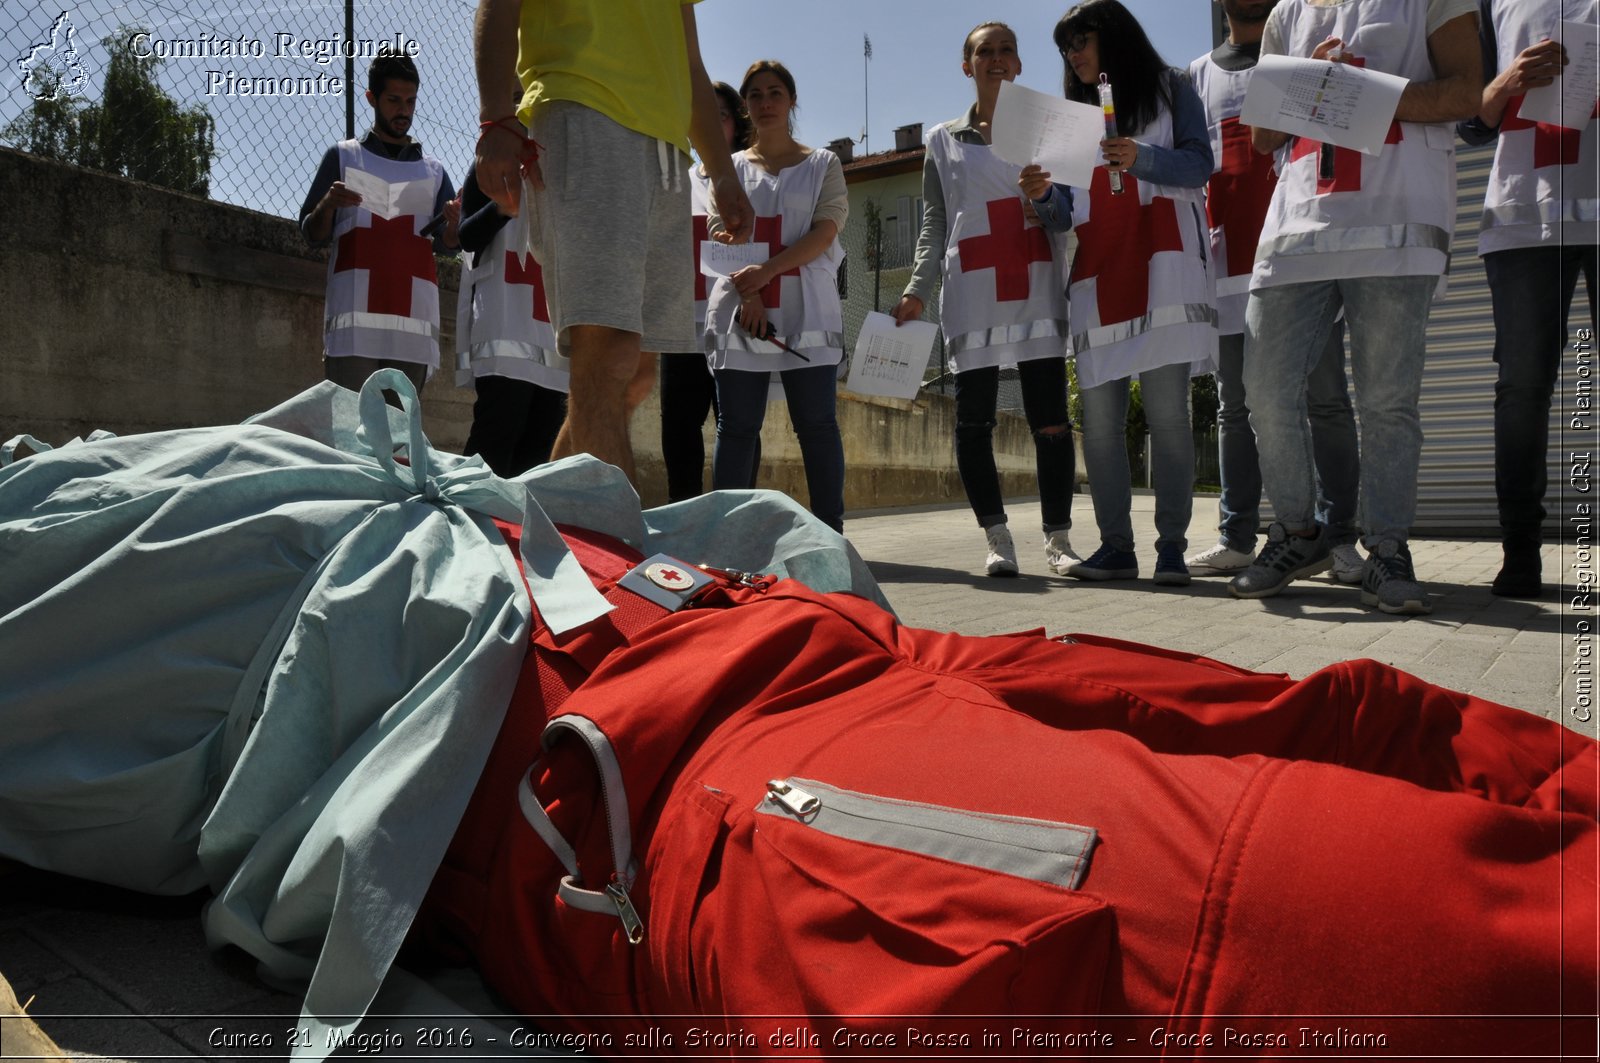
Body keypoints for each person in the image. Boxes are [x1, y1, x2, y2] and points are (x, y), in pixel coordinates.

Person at [1228, 0, 1481, 615]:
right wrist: (1308, 87)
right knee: (1263, 388)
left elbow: (1467, 93)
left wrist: (1360, 92)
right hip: (1298, 227)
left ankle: (1387, 549)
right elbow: (1262, 136)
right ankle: (1298, 532)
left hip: (1395, 218)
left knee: (1387, 401)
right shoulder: (1287, 12)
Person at [471, 0, 753, 487]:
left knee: (635, 377)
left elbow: (688, 61)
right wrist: (497, 116)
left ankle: (539, 517)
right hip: (583, 110)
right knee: (608, 354)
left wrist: (722, 172)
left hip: (666, 150)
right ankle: (617, 547)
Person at [1022, 0, 1216, 585]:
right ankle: (1116, 547)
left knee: (1168, 418)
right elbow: (1063, 216)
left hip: (1163, 266)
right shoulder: (1068, 117)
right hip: (1099, 275)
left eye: (1080, 40)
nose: (1072, 55)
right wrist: (1040, 195)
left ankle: (1173, 549)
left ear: (1113, 37)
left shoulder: (1171, 86)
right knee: (1101, 425)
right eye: (1064, 48)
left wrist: (1142, 156)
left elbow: (1199, 165)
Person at [892, 22, 1079, 579]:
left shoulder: (1050, 129)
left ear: (1019, 64)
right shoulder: (941, 141)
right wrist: (916, 291)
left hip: (1037, 283)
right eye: (983, 52)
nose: (995, 59)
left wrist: (1043, 196)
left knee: (1050, 421)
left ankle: (1059, 540)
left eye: (1006, 51)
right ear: (966, 66)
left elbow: (1067, 215)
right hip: (972, 288)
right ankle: (997, 537)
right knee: (973, 422)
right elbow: (935, 222)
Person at [1185, 0, 1364, 582]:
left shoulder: (1302, 39)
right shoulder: (1196, 74)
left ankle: (1339, 541)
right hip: (1229, 260)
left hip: (1300, 244)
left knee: (1328, 403)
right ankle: (1238, 536)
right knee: (1236, 409)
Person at [1458, 0, 1598, 598]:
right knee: (1521, 389)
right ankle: (1521, 553)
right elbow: (1469, 120)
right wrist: (1507, 81)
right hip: (1523, 220)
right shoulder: (1492, 4)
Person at [705, 61, 848, 534]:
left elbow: (825, 231)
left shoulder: (822, 165)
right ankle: (729, 538)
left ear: (791, 101)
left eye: (775, 93)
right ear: (746, 105)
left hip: (806, 308)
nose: (765, 103)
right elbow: (718, 229)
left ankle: (832, 534)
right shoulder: (729, 170)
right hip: (742, 309)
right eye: (755, 95)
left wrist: (766, 272)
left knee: (817, 428)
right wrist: (750, 295)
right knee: (738, 428)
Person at [300, 49, 460, 397]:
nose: (404, 110)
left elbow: (447, 248)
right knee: (350, 440)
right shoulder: (343, 157)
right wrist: (328, 204)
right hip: (354, 333)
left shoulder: (433, 172)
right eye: (393, 100)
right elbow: (311, 234)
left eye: (410, 101)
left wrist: (452, 223)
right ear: (372, 98)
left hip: (411, 334)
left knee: (400, 445)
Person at [455, 112, 569, 478]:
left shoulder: (567, 168)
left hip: (553, 345)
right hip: (504, 336)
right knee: (491, 453)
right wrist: (503, 208)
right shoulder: (489, 163)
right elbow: (467, 236)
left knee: (536, 462)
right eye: (516, 101)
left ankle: (517, 536)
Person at [660, 81, 755, 502]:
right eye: (704, 116)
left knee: (736, 426)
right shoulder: (675, 179)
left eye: (721, 115)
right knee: (678, 427)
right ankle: (683, 518)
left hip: (733, 325)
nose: (713, 125)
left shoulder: (751, 175)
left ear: (737, 124)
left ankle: (734, 518)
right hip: (681, 324)